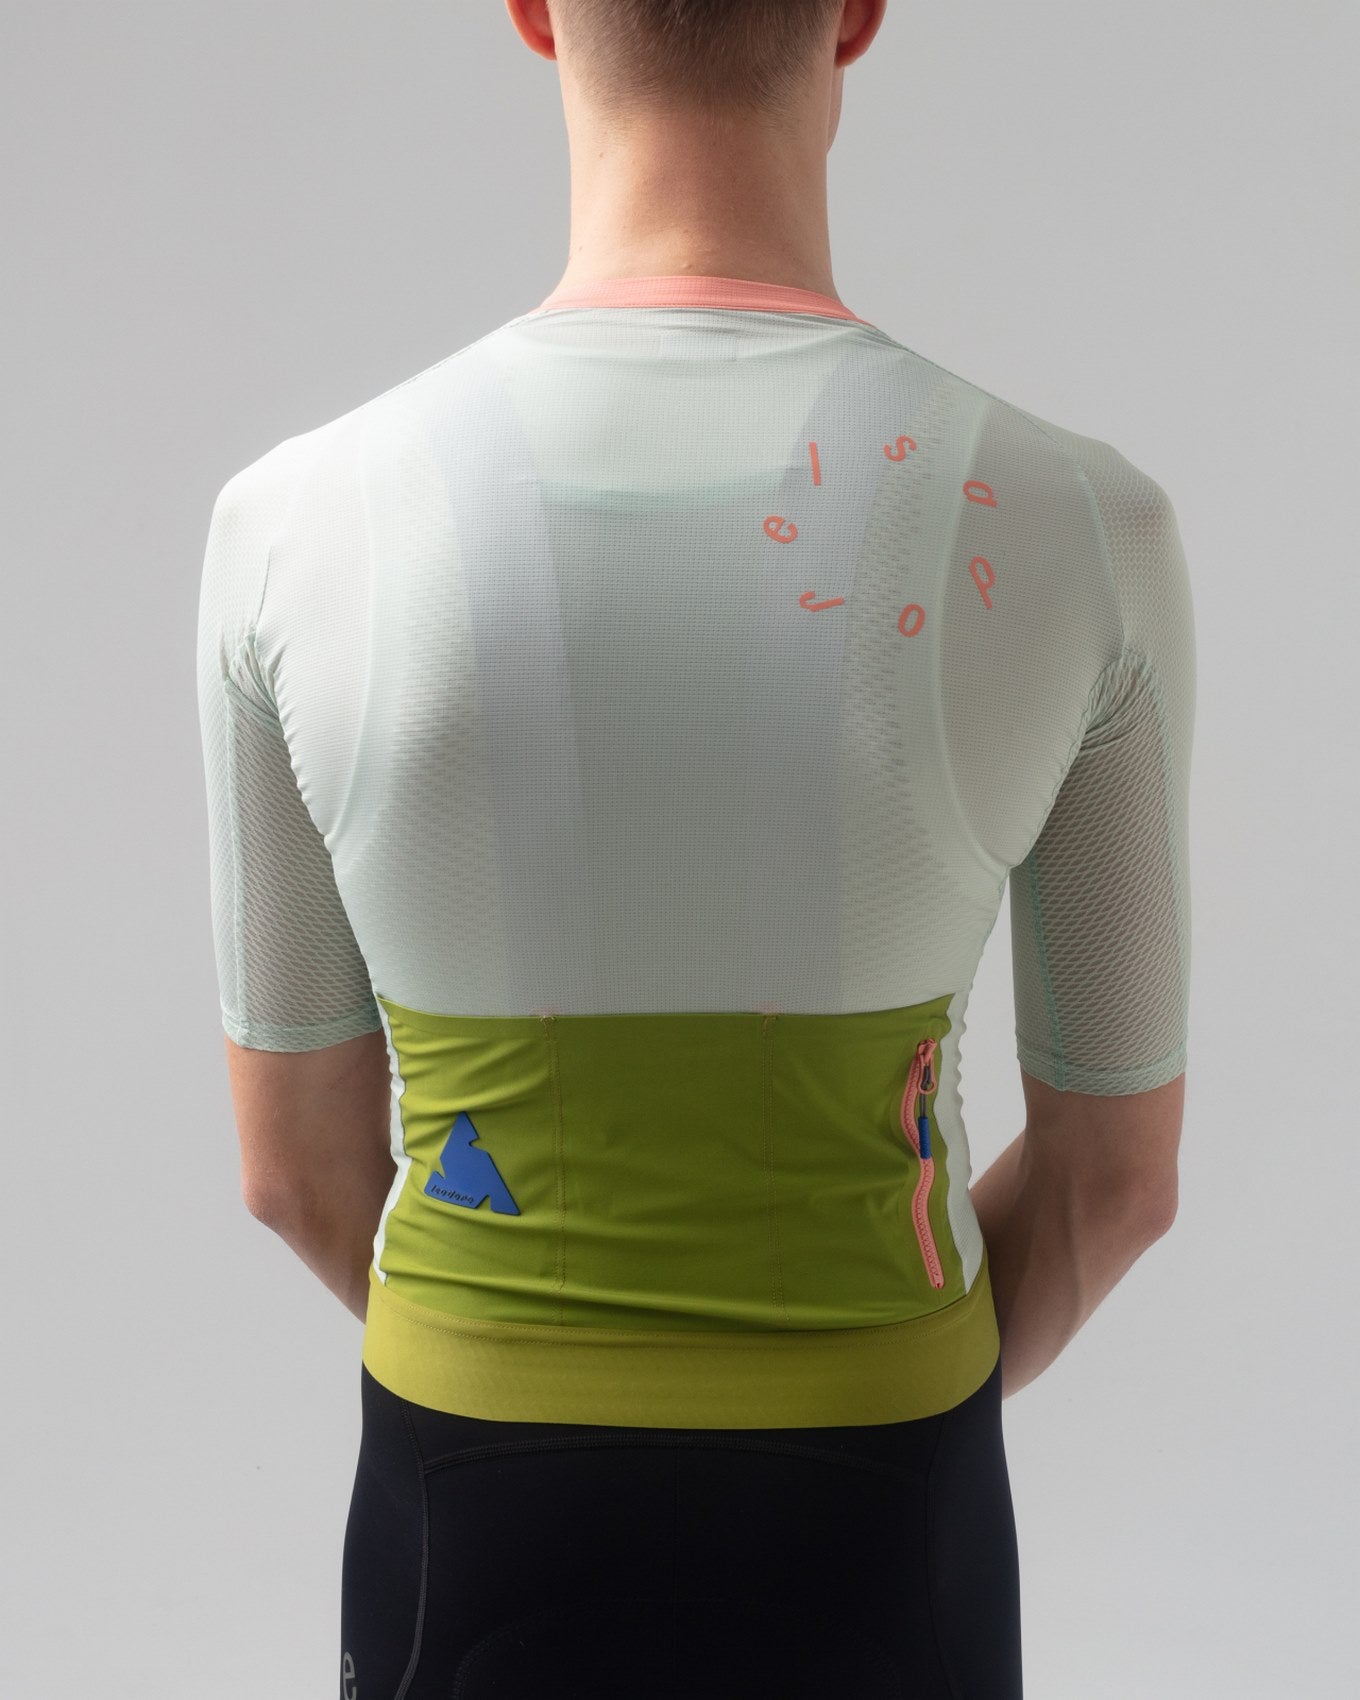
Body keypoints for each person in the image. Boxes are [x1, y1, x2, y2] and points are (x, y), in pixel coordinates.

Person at [194, 2, 1195, 1694]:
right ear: (856, 15)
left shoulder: (293, 525)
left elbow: (293, 1169)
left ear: (533, 13)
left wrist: (548, 1356)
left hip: (468, 1503)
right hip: (890, 1506)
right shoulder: (1082, 524)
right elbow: (1118, 1184)